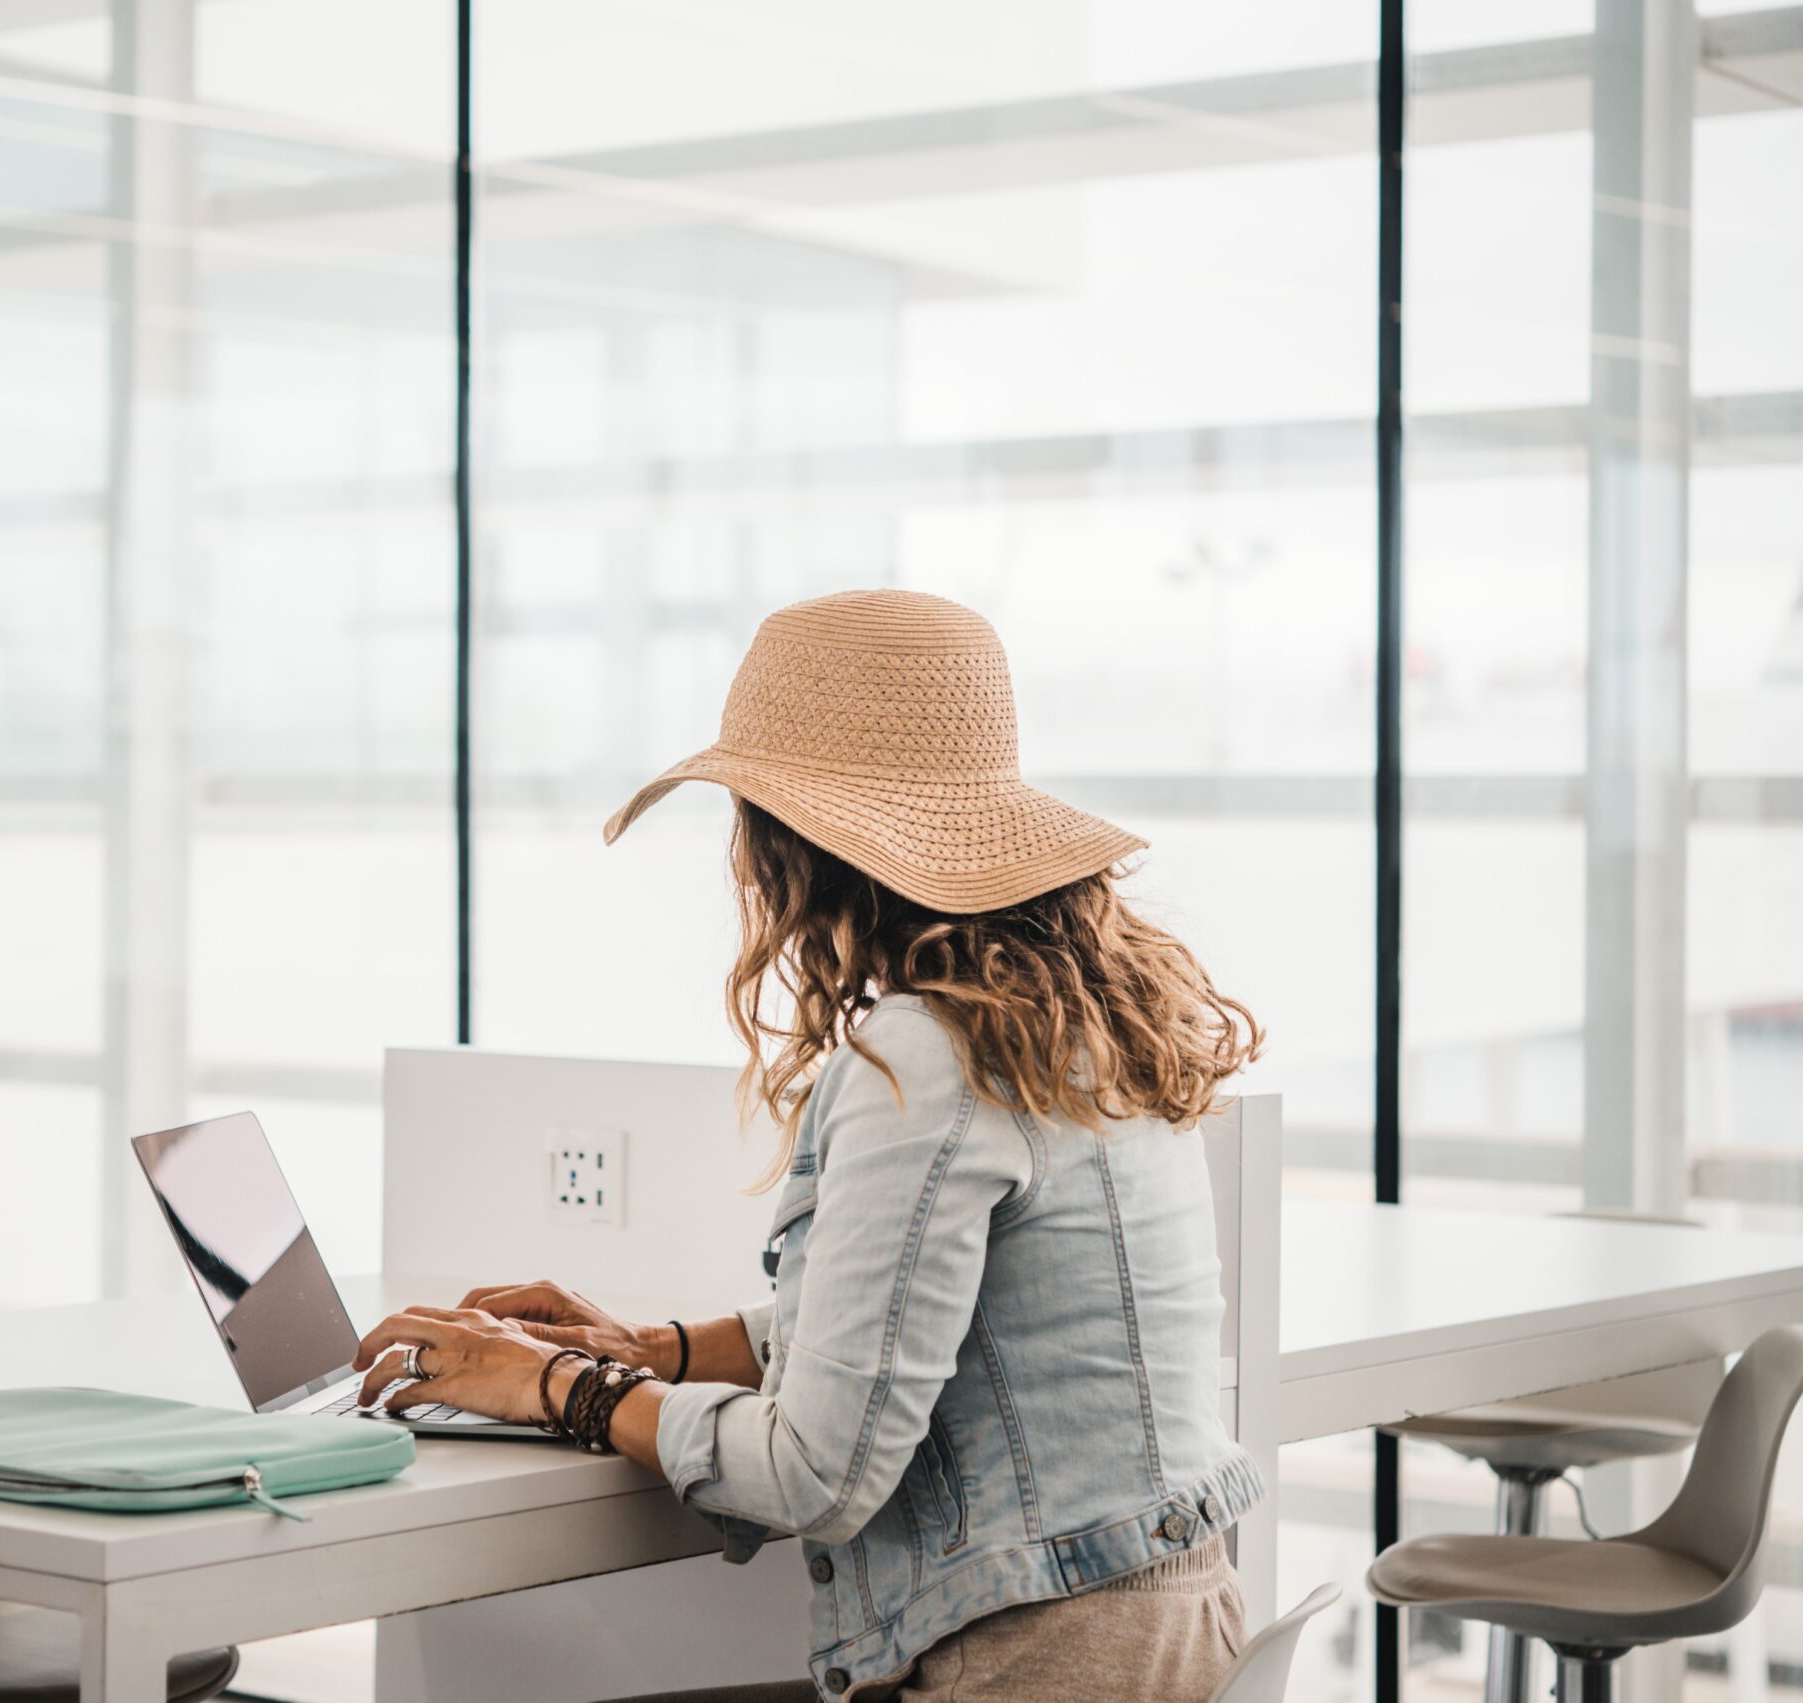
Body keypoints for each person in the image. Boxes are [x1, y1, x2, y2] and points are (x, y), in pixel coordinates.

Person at [353, 588, 1265, 1701]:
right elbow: (917, 1322)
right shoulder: (1072, 1017)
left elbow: (815, 1474)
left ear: (796, 842)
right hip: (1168, 1632)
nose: (742, 863)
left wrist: (557, 1386)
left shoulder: (927, 1054)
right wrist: (651, 1349)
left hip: (1041, 1664)